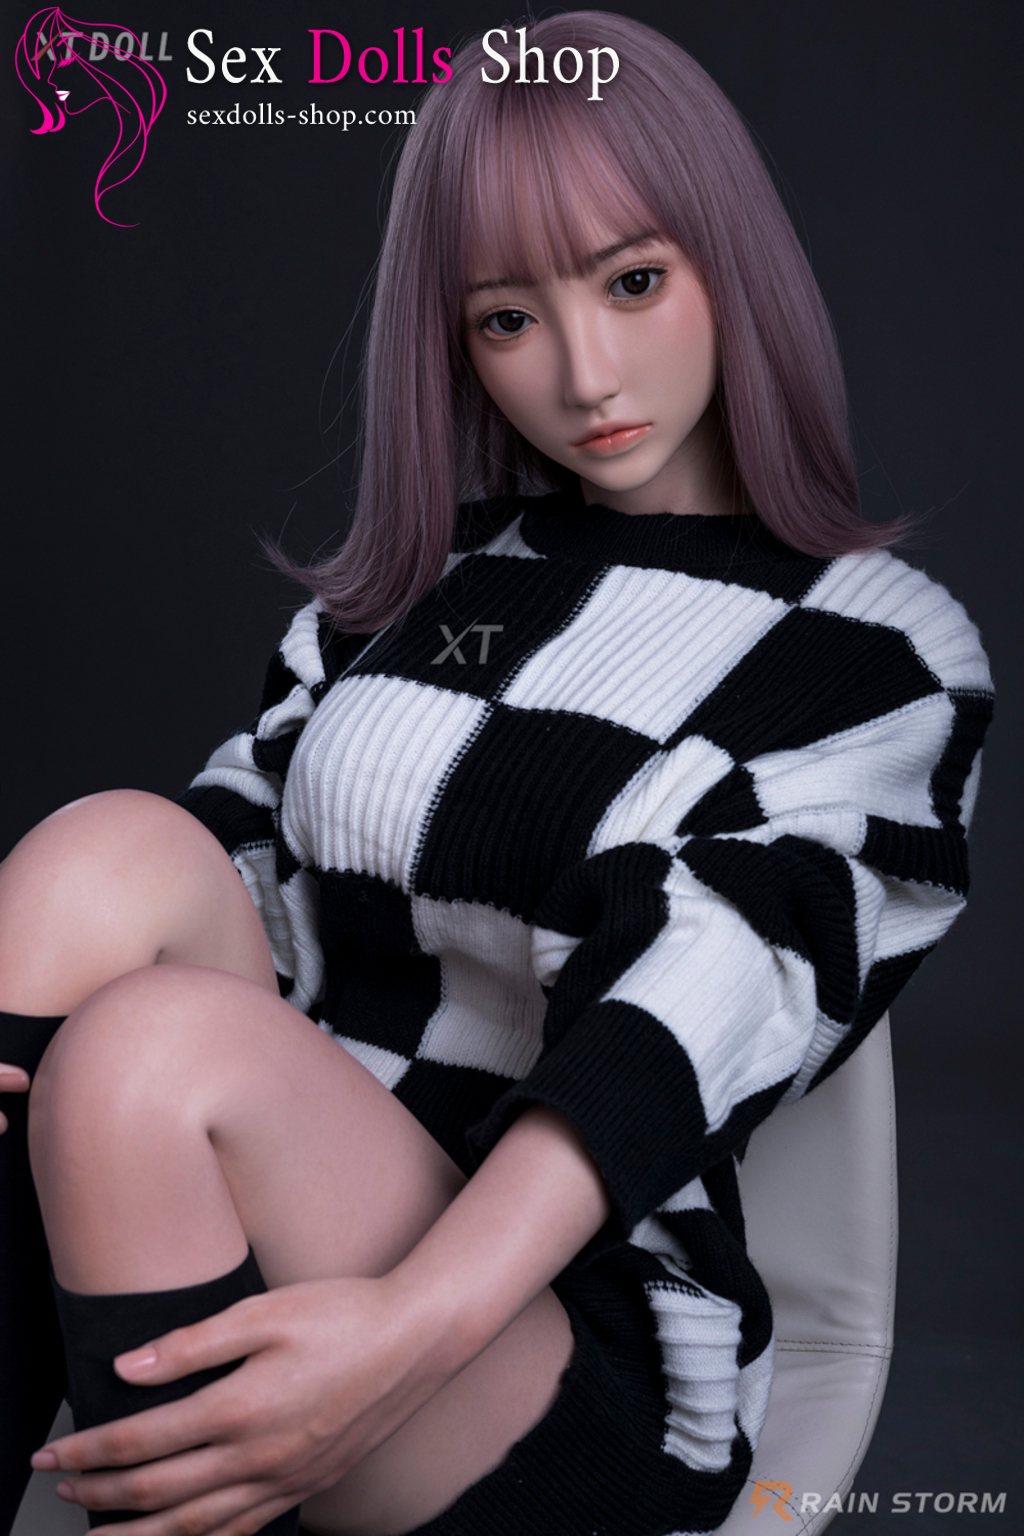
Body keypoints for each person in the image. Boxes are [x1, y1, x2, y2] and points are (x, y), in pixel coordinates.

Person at [0, 13, 993, 1536]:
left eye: (634, 281)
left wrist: (405, 1330)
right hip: (298, 1204)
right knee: (103, 848)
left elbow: (702, 997)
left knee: (146, 1052)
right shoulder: (416, 591)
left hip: (550, 1330)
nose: (586, 373)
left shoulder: (878, 648)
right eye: (509, 318)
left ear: (733, 265)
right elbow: (226, 866)